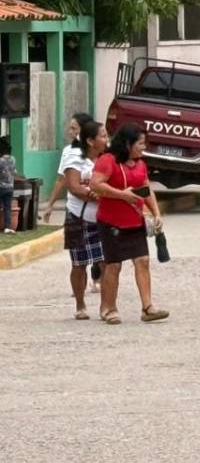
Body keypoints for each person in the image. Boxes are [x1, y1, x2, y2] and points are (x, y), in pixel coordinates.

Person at [90, 124, 168, 324]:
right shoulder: (108, 161)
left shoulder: (140, 164)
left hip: (135, 221)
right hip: (111, 223)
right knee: (113, 265)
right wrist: (122, 195)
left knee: (143, 261)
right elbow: (95, 184)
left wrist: (156, 213)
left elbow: (146, 189)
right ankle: (109, 308)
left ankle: (148, 308)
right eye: (140, 143)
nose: (143, 147)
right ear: (127, 144)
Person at [61, 121, 108, 320]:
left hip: (103, 218)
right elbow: (73, 187)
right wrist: (95, 195)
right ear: (90, 141)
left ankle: (107, 305)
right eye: (103, 136)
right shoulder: (75, 157)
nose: (106, 139)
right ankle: (80, 305)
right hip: (78, 217)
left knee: (107, 263)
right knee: (79, 264)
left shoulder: (107, 158)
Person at [40, 112, 92, 224]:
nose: (70, 132)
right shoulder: (69, 151)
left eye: (74, 129)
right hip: (75, 210)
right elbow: (61, 180)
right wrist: (50, 205)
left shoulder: (99, 150)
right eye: (70, 128)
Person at [0, 136, 16, 234]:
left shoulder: (0, 161)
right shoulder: (13, 159)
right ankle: (8, 227)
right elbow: (14, 172)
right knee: (8, 208)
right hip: (10, 187)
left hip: (1, 187)